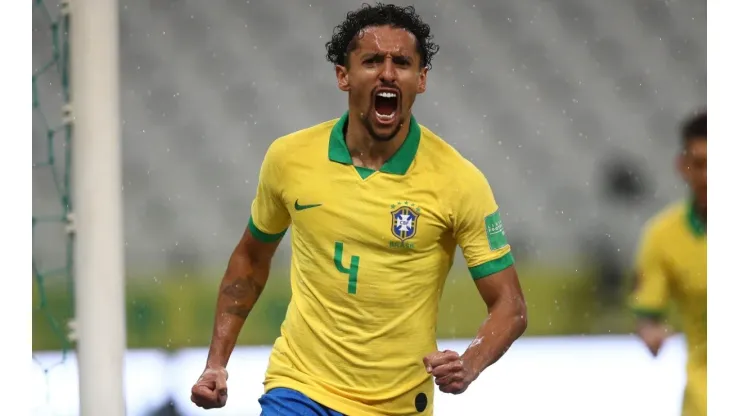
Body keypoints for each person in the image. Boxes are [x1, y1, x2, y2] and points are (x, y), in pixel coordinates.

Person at [190, 3, 527, 415]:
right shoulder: (289, 158)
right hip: (299, 387)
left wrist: (470, 363)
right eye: (372, 60)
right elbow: (250, 258)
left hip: (397, 404)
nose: (388, 73)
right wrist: (216, 364)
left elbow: (510, 306)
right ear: (343, 76)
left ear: (420, 80)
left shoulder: (459, 181)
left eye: (402, 62)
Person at [630, 110, 706, 416]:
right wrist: (651, 333)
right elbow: (648, 314)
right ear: (683, 166)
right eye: (701, 164)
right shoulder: (662, 236)